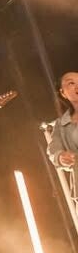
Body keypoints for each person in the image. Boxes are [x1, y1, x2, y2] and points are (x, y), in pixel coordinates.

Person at [47, 70, 78, 199]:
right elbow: (53, 149)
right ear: (63, 93)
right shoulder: (61, 124)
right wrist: (61, 157)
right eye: (71, 83)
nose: (77, 86)